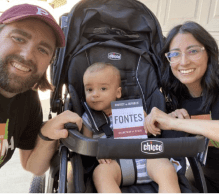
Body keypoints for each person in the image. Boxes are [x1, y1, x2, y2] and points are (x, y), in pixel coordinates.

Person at [144, 21, 219, 193]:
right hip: (208, 185)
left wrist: (176, 124)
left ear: (209, 53)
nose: (183, 62)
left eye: (193, 51)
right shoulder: (174, 98)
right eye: (175, 54)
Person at [0, 4, 82, 175]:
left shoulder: (28, 99)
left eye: (42, 49)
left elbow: (32, 166)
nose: (27, 55)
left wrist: (47, 134)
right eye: (19, 38)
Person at [78, 62, 180, 193]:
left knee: (166, 168)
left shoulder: (133, 109)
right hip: (115, 165)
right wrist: (98, 151)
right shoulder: (88, 118)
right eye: (89, 90)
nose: (95, 94)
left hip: (145, 158)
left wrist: (149, 126)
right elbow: (87, 144)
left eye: (103, 89)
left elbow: (147, 132)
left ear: (118, 92)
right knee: (100, 174)